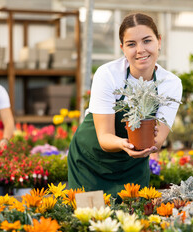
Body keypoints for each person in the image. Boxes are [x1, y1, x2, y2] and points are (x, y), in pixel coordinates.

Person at [67, 13, 183, 200]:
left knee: (133, 218)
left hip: (132, 165)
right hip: (90, 162)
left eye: (147, 41)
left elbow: (158, 139)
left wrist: (142, 146)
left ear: (159, 41)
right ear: (122, 48)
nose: (140, 50)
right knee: (87, 222)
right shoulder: (108, 75)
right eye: (131, 44)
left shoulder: (170, 84)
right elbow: (104, 137)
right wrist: (126, 144)